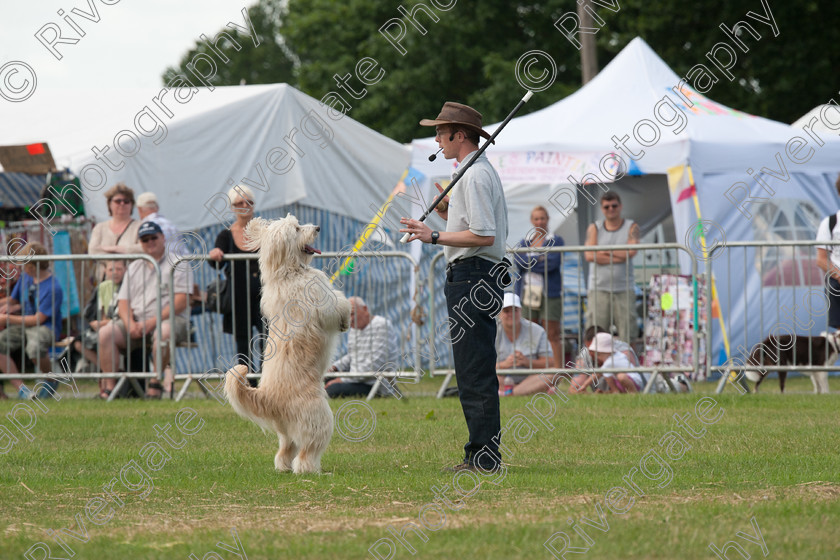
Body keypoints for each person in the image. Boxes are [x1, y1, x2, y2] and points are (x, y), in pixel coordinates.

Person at [400, 101, 508, 472]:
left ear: (459, 135)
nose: (437, 139)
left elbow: (483, 234)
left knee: (474, 368)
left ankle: (484, 456)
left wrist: (433, 235)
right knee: (471, 367)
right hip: (472, 274)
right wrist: (450, 214)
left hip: (473, 274)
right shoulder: (471, 172)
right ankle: (482, 452)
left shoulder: (475, 175)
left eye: (441, 132)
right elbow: (473, 226)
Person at [97, 222, 193, 399]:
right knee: (105, 333)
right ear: (140, 242)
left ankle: (156, 383)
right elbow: (123, 301)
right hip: (136, 321)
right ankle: (110, 389)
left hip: (170, 319)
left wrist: (150, 323)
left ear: (163, 238)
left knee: (163, 332)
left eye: (153, 237)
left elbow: (181, 301)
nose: (149, 242)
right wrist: (129, 323)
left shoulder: (178, 262)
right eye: (145, 239)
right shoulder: (134, 266)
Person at [208, 185, 263, 372]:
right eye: (239, 203)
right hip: (239, 297)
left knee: (269, 338)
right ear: (232, 207)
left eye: (248, 202)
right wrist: (215, 253)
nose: (244, 206)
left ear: (254, 205)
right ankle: (247, 382)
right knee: (242, 341)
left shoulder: (266, 231)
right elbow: (215, 262)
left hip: (266, 295)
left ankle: (268, 382)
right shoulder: (226, 235)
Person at [0, 242, 64, 399]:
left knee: (34, 348)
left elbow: (38, 319)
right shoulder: (26, 279)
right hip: (23, 324)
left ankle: (50, 379)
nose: (21, 267)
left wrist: (7, 318)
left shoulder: (53, 287)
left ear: (33, 267)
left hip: (45, 327)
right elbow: (13, 300)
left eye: (24, 264)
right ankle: (22, 389)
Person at [513, 205, 568, 367]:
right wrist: (541, 259)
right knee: (531, 332)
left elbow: (552, 264)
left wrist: (530, 262)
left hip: (550, 293)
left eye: (542, 218)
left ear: (547, 219)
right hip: (527, 292)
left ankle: (558, 371)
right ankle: (534, 368)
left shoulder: (556, 240)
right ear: (532, 221)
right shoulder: (525, 242)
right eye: (536, 218)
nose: (539, 222)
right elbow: (518, 262)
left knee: (552, 333)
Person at [584, 191, 640, 340]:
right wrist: (619, 254)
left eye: (614, 205)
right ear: (602, 209)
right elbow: (589, 255)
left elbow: (631, 252)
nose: (611, 209)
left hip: (624, 288)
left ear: (620, 206)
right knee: (596, 335)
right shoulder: (594, 228)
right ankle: (597, 364)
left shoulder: (632, 226)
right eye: (607, 206)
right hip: (598, 289)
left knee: (628, 333)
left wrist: (603, 252)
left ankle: (628, 363)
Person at [326, 297, 398, 398]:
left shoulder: (381, 325)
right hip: (355, 378)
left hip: (374, 384)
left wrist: (342, 380)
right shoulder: (355, 329)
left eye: (352, 314)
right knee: (323, 379)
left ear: (365, 309)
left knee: (332, 389)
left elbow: (374, 365)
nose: (350, 319)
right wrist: (334, 367)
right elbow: (352, 356)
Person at [73, 260, 126, 388]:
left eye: (119, 269)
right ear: (105, 272)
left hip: (121, 324)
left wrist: (103, 324)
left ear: (125, 270)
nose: (115, 273)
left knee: (106, 337)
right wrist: (100, 323)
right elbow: (102, 312)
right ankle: (106, 370)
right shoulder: (102, 287)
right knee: (78, 343)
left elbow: (124, 316)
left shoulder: (127, 285)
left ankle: (108, 377)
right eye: (111, 270)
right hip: (107, 324)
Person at [495, 293, 553, 396]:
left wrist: (527, 362)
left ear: (521, 311)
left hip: (530, 378)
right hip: (501, 378)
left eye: (514, 310)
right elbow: (481, 365)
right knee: (481, 374)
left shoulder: (537, 331)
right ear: (499, 313)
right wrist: (504, 365)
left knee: (552, 374)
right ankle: (523, 391)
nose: (510, 314)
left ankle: (508, 393)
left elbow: (550, 363)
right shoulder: (491, 331)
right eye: (506, 311)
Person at [576, 332, 647, 393]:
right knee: (616, 376)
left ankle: (624, 392)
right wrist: (584, 385)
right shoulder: (615, 356)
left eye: (598, 354)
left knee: (619, 376)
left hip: (634, 382)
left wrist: (584, 386)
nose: (597, 357)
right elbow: (597, 373)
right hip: (624, 383)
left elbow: (597, 374)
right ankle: (615, 392)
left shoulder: (610, 361)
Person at [88, 183, 143, 262]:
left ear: (132, 204)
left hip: (132, 273)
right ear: (110, 204)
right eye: (118, 201)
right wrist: (127, 252)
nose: (122, 204)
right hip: (105, 274)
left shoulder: (140, 226)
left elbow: (143, 248)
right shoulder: (99, 228)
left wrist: (115, 248)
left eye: (126, 201)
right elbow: (93, 251)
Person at [816, 179, 840, 329]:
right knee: (833, 286)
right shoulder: (830, 222)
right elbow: (821, 260)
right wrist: (839, 276)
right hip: (837, 282)